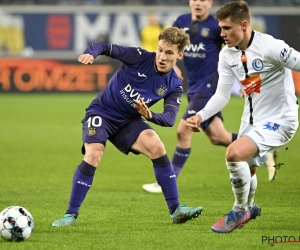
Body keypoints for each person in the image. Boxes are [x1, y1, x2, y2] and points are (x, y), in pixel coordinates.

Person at [51, 27, 203, 227]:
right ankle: (70, 214)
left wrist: (149, 115)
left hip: (129, 121)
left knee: (157, 146)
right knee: (94, 153)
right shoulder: (139, 56)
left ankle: (176, 210)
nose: (162, 57)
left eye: (169, 53)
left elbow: (169, 118)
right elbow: (105, 46)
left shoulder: (174, 84)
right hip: (102, 112)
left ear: (179, 55)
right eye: (160, 50)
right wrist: (91, 52)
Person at [186, 0, 299, 233]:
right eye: (220, 28)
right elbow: (222, 95)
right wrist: (201, 115)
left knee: (233, 153)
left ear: (244, 25)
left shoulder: (271, 46)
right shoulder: (227, 55)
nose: (222, 33)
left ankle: (238, 210)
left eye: (227, 28)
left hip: (281, 120)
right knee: (248, 167)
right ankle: (251, 207)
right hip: (251, 120)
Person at [142, 0, 239, 193]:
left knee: (183, 131)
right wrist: (174, 65)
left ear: (210, 3)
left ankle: (167, 182)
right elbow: (169, 47)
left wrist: (240, 79)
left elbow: (234, 50)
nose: (198, 3)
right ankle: (260, 145)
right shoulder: (181, 21)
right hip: (194, 88)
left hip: (209, 87)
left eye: (203, 0)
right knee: (218, 137)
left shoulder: (215, 26)